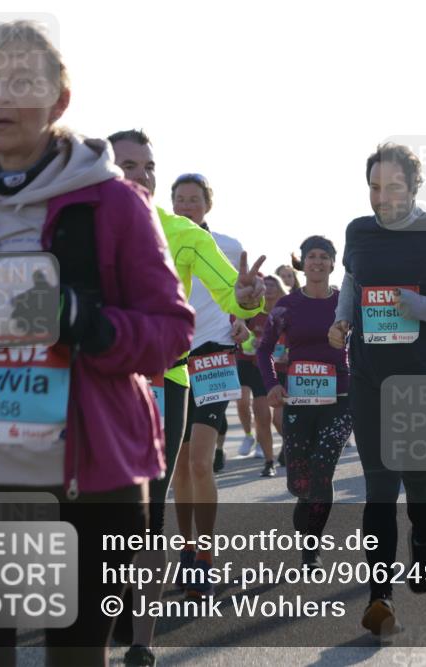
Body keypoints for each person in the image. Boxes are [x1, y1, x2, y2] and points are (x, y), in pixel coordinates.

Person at [0, 21, 195, 667]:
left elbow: (172, 332)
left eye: (21, 80)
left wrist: (82, 320)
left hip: (89, 483)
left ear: (59, 100)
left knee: (75, 656)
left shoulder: (116, 204)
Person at [109, 132, 265, 666]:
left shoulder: (186, 236)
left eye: (149, 166)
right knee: (100, 508)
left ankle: (141, 639)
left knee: (160, 495)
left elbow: (231, 291)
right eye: (128, 165)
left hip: (175, 376)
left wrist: (245, 297)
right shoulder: (75, 224)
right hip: (96, 386)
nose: (142, 175)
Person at [328, 143, 426, 636]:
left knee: (417, 482)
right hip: (369, 377)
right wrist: (342, 319)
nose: (383, 196)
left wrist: (422, 306)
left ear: (415, 187)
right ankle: (380, 598)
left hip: (423, 376)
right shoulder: (358, 231)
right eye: (374, 187)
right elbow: (351, 279)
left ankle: (424, 539)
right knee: (378, 489)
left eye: (393, 187)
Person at [169, 173, 265, 596]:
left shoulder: (225, 246)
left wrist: (241, 324)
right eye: (180, 199)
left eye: (194, 199)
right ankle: (186, 547)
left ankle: (205, 554)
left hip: (213, 354)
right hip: (170, 358)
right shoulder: (159, 241)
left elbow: (237, 295)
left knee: (200, 463)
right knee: (179, 466)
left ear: (208, 204)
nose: (186, 205)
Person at [256, 236, 352, 569]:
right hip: (298, 400)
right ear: (303, 263)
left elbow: (367, 343)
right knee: (301, 480)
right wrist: (271, 385)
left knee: (323, 469)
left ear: (332, 263)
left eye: (324, 257)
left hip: (340, 398)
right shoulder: (286, 305)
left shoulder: (345, 304)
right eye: (311, 256)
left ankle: (312, 547)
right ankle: (304, 504)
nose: (317, 262)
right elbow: (263, 349)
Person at [233, 274, 286, 475]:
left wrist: (288, 350)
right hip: (259, 369)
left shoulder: (287, 312)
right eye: (267, 284)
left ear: (280, 289)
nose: (270, 287)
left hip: (283, 370)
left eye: (274, 284)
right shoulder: (252, 311)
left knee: (279, 420)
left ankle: (289, 446)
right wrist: (251, 342)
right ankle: (268, 462)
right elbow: (239, 333)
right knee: (262, 416)